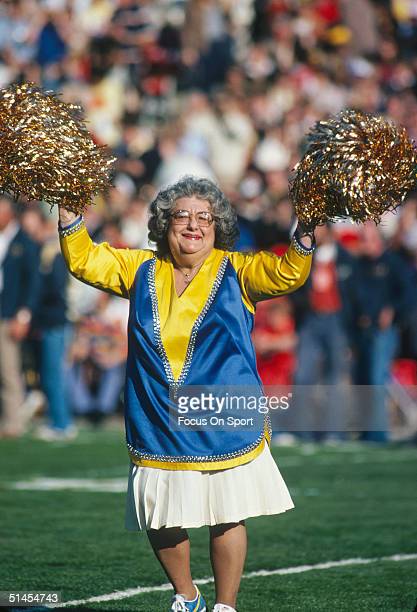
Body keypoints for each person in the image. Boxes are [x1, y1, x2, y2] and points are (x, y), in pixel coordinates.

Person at [58, 176, 315, 612]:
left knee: (226, 511)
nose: (193, 225)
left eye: (204, 218)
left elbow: (287, 272)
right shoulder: (139, 267)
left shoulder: (237, 268)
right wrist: (70, 220)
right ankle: (187, 595)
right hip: (157, 411)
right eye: (182, 216)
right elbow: (84, 260)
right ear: (164, 223)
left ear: (218, 227)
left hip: (222, 414)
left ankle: (225, 606)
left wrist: (305, 237)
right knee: (161, 510)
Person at [0, 196, 40, 438]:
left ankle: (13, 421)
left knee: (9, 371)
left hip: (9, 314)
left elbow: (33, 283)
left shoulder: (23, 242)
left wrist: (23, 316)